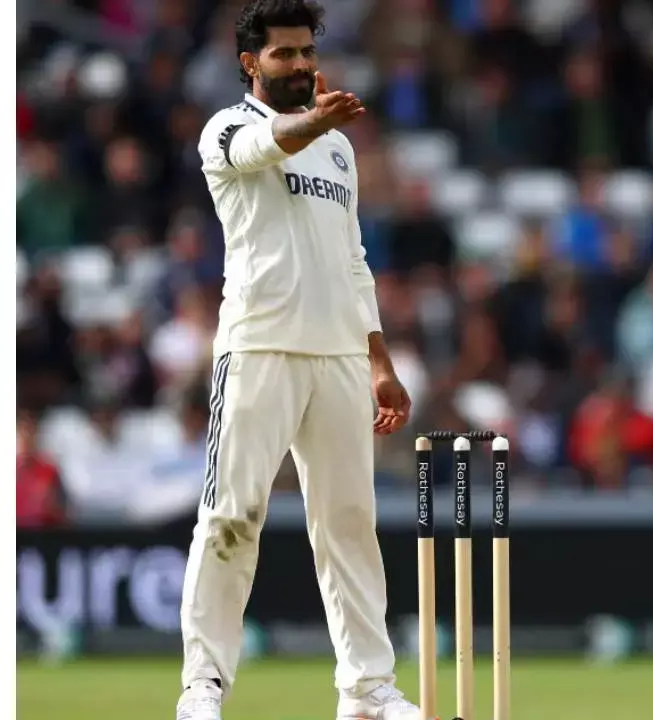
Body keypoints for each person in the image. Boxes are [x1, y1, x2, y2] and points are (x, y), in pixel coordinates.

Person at [174, 2, 416, 719]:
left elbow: (352, 260)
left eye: (308, 51)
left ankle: (368, 692)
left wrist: (380, 361)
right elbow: (266, 148)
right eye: (285, 54)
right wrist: (317, 121)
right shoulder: (227, 129)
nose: (303, 64)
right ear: (251, 63)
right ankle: (203, 688)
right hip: (258, 346)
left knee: (349, 525)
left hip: (339, 354)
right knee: (230, 517)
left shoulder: (337, 150)